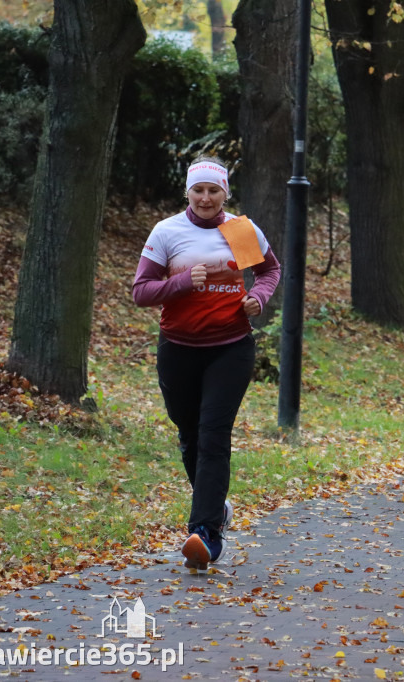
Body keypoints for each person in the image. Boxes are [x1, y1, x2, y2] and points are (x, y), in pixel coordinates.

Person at [132, 156, 282, 570]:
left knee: (213, 435)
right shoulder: (167, 232)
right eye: (198, 190)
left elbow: (271, 271)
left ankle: (206, 534)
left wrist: (259, 298)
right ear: (187, 192)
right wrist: (181, 282)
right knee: (189, 435)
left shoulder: (240, 230)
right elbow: (141, 292)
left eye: (214, 190)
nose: (205, 197)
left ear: (225, 194)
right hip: (177, 348)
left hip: (230, 348)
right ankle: (216, 506)